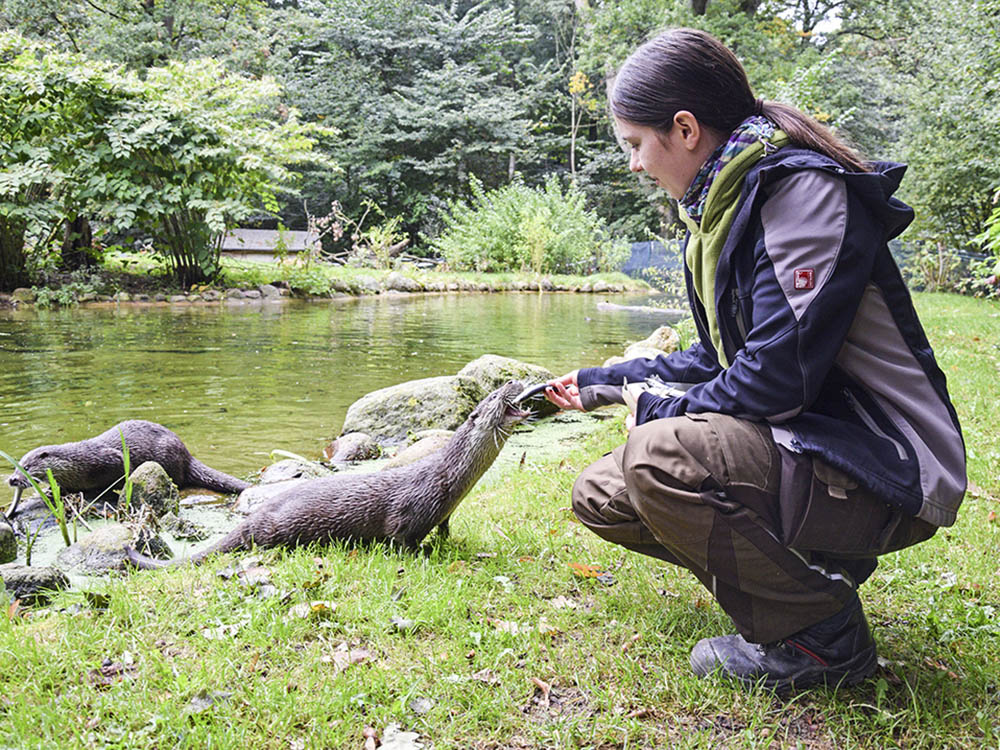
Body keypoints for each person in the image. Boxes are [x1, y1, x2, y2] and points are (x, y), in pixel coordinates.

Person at [544, 28, 966, 693]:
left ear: (684, 128)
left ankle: (821, 640)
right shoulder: (723, 212)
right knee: (601, 494)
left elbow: (775, 380)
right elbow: (719, 360)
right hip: (814, 451)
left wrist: (654, 411)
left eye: (634, 144)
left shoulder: (801, 195)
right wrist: (600, 385)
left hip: (890, 469)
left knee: (659, 456)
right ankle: (806, 579)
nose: (633, 164)